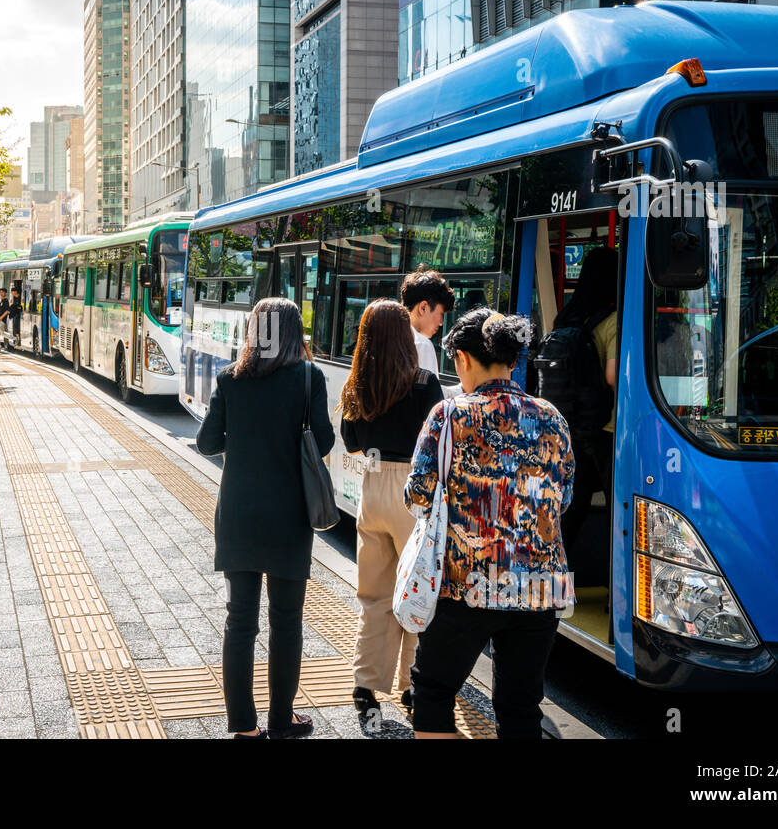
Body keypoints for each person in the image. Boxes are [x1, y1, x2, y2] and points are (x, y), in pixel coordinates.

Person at [404, 309, 575, 739]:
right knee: (521, 707)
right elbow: (563, 498)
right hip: (541, 586)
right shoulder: (553, 417)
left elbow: (418, 494)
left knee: (433, 692)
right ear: (513, 361)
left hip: (468, 581)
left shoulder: (450, 414)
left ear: (462, 359)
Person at [196, 297, 335, 739]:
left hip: (239, 514)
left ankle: (243, 727)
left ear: (255, 331)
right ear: (295, 333)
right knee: (287, 621)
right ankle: (281, 721)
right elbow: (326, 441)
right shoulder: (309, 378)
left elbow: (205, 442)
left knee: (239, 620)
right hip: (290, 517)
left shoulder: (229, 379)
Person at [339, 300, 442, 719]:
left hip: (373, 485)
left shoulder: (358, 384)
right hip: (411, 493)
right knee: (417, 590)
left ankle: (365, 685)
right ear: (405, 336)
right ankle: (412, 686)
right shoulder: (424, 382)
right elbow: (435, 442)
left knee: (374, 593)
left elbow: (350, 442)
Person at [546, 246, 618, 557]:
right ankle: (616, 586)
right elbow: (613, 376)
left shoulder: (569, 315)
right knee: (619, 505)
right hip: (607, 425)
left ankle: (555, 572)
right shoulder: (613, 319)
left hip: (573, 423)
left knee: (572, 506)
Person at [400, 267, 456, 377]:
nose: (441, 323)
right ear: (423, 307)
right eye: (441, 314)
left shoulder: (388, 334)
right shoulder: (422, 345)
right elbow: (430, 393)